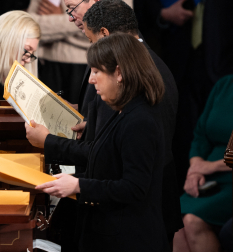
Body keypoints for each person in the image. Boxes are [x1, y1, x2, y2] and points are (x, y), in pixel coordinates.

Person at [32, 33, 168, 251]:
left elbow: (133, 188)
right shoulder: (122, 111)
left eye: (96, 71)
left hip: (127, 240)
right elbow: (108, 168)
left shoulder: (140, 120)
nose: (90, 79)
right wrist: (67, 180)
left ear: (120, 73)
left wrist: (77, 185)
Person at [26, 0, 133, 104]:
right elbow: (31, 27)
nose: (70, 18)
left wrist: (55, 26)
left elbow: (116, 25)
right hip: (48, 68)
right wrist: (86, 21)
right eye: (69, 10)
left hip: (94, 65)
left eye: (73, 9)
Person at [173, 75, 233, 252]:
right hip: (208, 177)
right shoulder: (224, 84)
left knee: (193, 221)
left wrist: (209, 167)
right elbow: (201, 135)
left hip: (228, 177)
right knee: (176, 224)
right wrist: (196, 168)